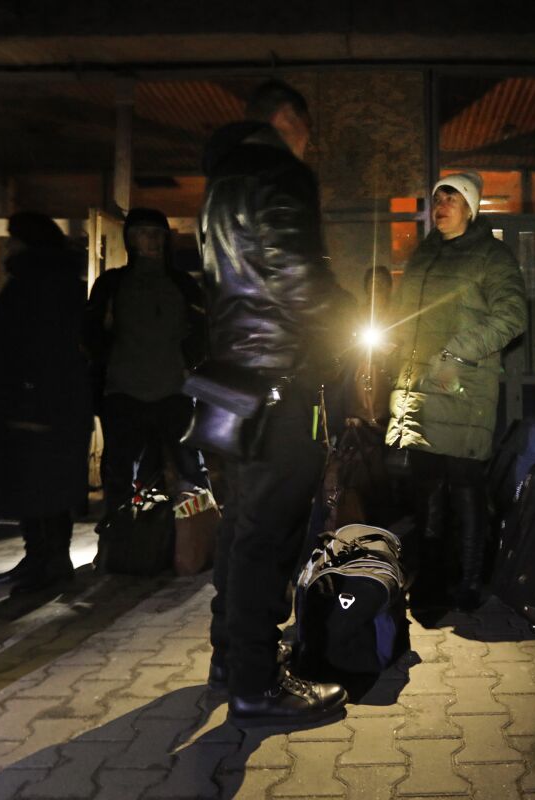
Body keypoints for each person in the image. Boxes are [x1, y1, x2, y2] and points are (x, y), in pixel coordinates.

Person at [199, 79, 351, 728]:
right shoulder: (277, 173)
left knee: (241, 528)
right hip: (276, 379)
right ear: (290, 120)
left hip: (228, 378)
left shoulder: (221, 184)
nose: (307, 145)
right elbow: (295, 277)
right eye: (307, 131)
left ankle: (233, 658)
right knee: (271, 533)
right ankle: (258, 684)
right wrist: (343, 325)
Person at [385, 172, 528, 614]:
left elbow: (513, 315)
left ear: (471, 207)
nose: (441, 204)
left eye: (452, 197)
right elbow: (405, 316)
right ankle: (431, 577)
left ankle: (468, 583)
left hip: (462, 391)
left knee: (466, 490)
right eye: (437, 198)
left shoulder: (491, 255)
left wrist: (456, 352)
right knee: (426, 489)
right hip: (420, 391)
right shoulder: (423, 256)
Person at [0, 214, 92, 594]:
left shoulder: (38, 285)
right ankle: (44, 559)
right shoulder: (53, 282)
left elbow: (38, 347)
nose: (8, 246)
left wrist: (26, 399)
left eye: (13, 240)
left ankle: (48, 563)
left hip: (36, 404)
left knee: (37, 483)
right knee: (44, 485)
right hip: (49, 403)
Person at [84, 208, 208, 524]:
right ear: (130, 239)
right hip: (123, 389)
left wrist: (190, 365)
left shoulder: (181, 284)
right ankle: (118, 538)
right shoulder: (113, 283)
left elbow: (203, 330)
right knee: (118, 472)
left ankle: (190, 539)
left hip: (173, 389)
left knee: (187, 471)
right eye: (143, 232)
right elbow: (90, 333)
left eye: (157, 233)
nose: (151, 239)